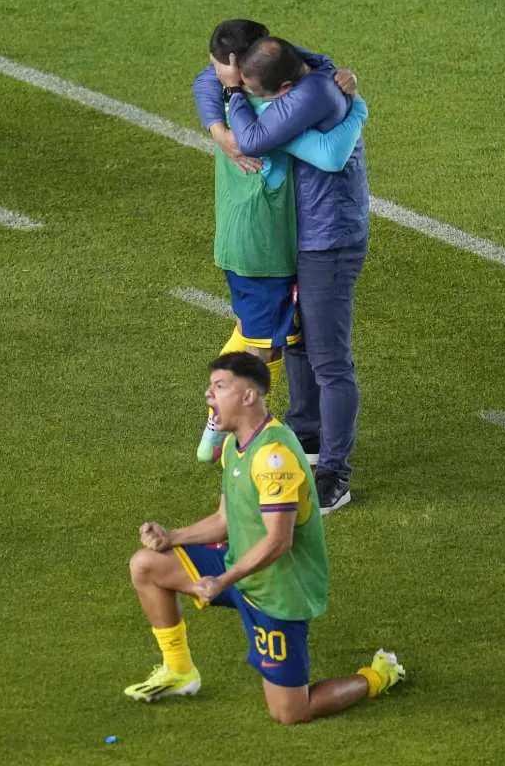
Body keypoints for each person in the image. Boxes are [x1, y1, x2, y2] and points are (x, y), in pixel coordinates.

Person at [124, 352, 405, 724]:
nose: (209, 396)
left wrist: (222, 580)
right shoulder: (234, 447)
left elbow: (278, 542)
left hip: (277, 591)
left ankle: (379, 674)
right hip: (240, 569)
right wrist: (171, 538)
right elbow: (225, 520)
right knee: (147, 564)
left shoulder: (274, 457)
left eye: (219, 387)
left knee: (290, 711)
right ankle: (179, 671)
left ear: (248, 396)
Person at [203, 36, 370, 515]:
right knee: (296, 339)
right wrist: (227, 109)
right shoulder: (294, 84)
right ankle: (307, 436)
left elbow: (322, 155)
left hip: (329, 241)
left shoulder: (318, 96)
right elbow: (205, 78)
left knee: (329, 358)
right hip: (293, 237)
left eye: (266, 95)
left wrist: (240, 106)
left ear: (287, 85)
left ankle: (335, 473)